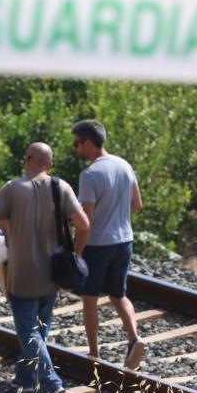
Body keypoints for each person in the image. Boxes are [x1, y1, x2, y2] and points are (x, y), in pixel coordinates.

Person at [0, 142, 89, 393]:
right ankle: (24, 379)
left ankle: (51, 383)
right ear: (49, 165)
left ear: (27, 161)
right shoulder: (60, 187)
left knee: (28, 330)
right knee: (39, 329)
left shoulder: (12, 189)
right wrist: (76, 252)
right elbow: (84, 225)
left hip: (22, 274)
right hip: (52, 274)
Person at [71, 120, 144, 369]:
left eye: (77, 144)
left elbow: (85, 222)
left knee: (90, 298)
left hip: (98, 244)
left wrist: (77, 252)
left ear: (88, 143)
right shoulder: (124, 165)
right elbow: (137, 205)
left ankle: (94, 354)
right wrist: (116, 216)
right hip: (124, 240)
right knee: (118, 294)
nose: (75, 149)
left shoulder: (89, 175)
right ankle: (134, 338)